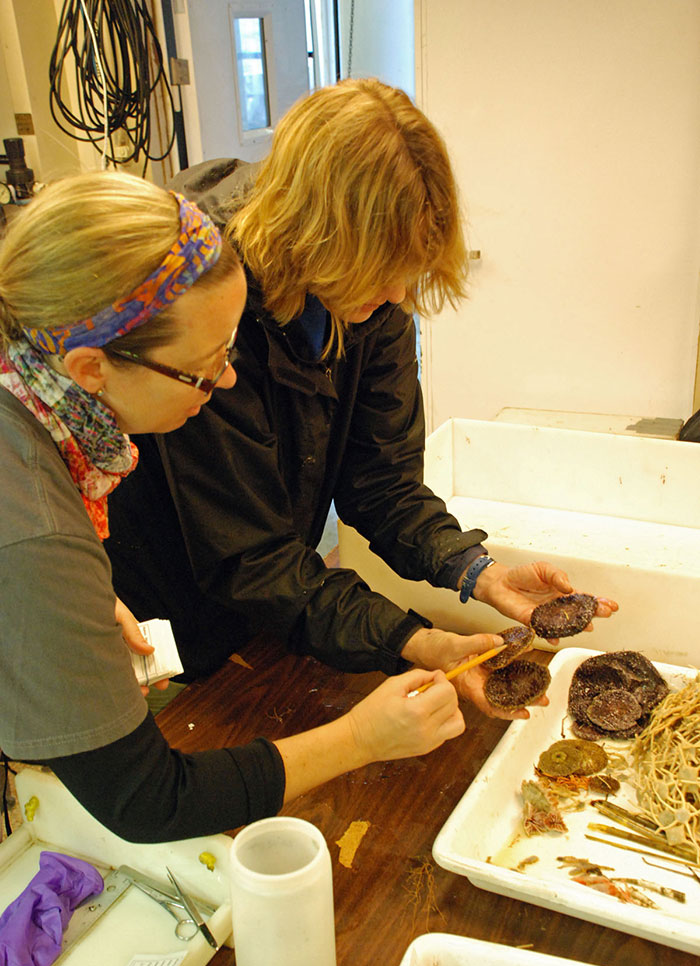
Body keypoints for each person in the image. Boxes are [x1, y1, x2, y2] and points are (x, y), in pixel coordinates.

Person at [105, 79, 617, 721]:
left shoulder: (368, 293)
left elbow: (382, 481)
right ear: (314, 234)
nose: (401, 293)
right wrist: (414, 642)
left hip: (271, 603)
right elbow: (249, 557)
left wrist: (477, 573)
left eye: (410, 269)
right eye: (384, 271)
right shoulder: (202, 300)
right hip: (157, 621)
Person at [0, 170, 469, 844]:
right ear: (91, 370)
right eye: (206, 363)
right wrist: (362, 736)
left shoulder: (38, 401)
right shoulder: (34, 525)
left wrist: (70, 603)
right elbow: (148, 800)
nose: (225, 379)